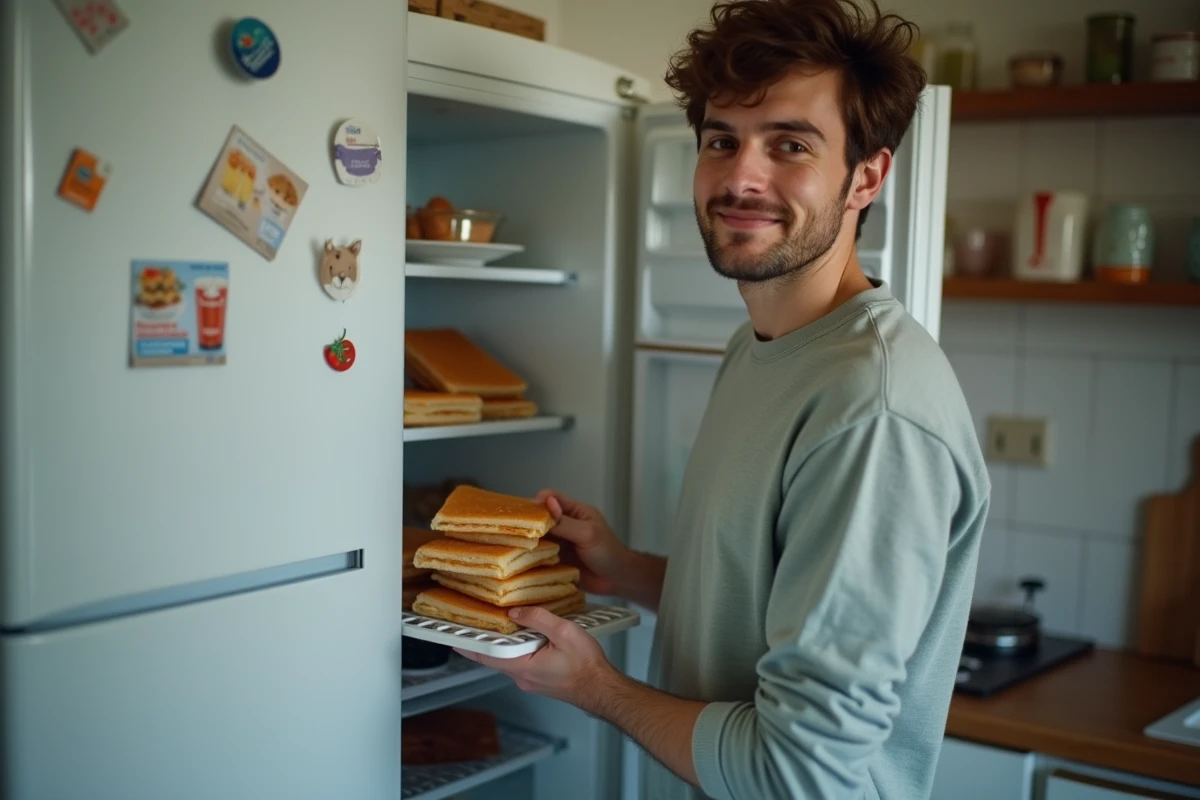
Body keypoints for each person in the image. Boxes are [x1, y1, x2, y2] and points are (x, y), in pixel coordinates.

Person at [452, 0, 990, 797]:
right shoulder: (759, 346)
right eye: (721, 141)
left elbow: (798, 773)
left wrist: (594, 687)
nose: (742, 176)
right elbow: (768, 602)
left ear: (866, 177)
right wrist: (624, 570)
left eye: (791, 145)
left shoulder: (872, 409)